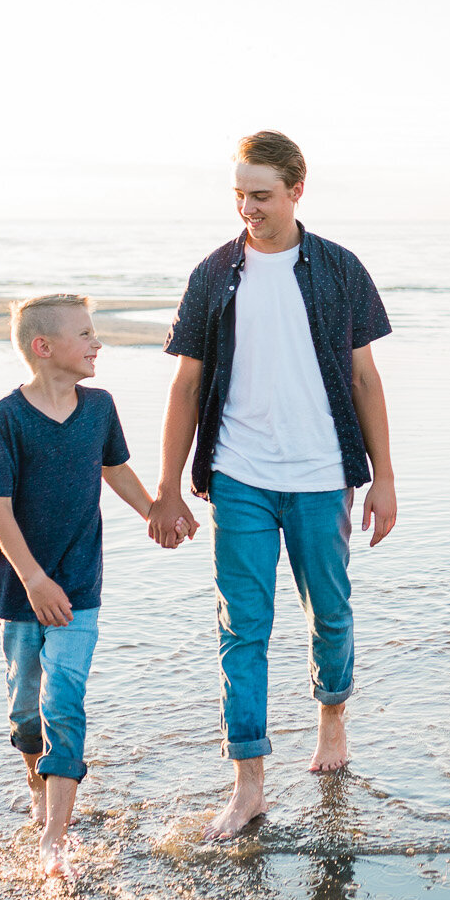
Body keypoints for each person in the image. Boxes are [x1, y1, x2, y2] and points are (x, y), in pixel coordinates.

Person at [148, 130, 399, 839]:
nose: (247, 207)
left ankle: (331, 717)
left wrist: (384, 478)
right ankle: (249, 782)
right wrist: (168, 484)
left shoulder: (341, 269)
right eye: (239, 194)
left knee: (331, 612)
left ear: (296, 189)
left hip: (323, 475)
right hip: (239, 476)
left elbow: (365, 379)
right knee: (241, 630)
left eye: (260, 194)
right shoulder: (213, 274)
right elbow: (187, 384)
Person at [0, 294, 158, 880]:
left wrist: (155, 510)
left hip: (80, 585)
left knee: (64, 700)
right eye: (85, 334)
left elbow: (115, 468)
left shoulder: (100, 407)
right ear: (42, 347)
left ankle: (55, 836)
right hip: (23, 588)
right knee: (26, 707)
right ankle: (37, 778)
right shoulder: (7, 418)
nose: (97, 343)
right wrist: (33, 577)